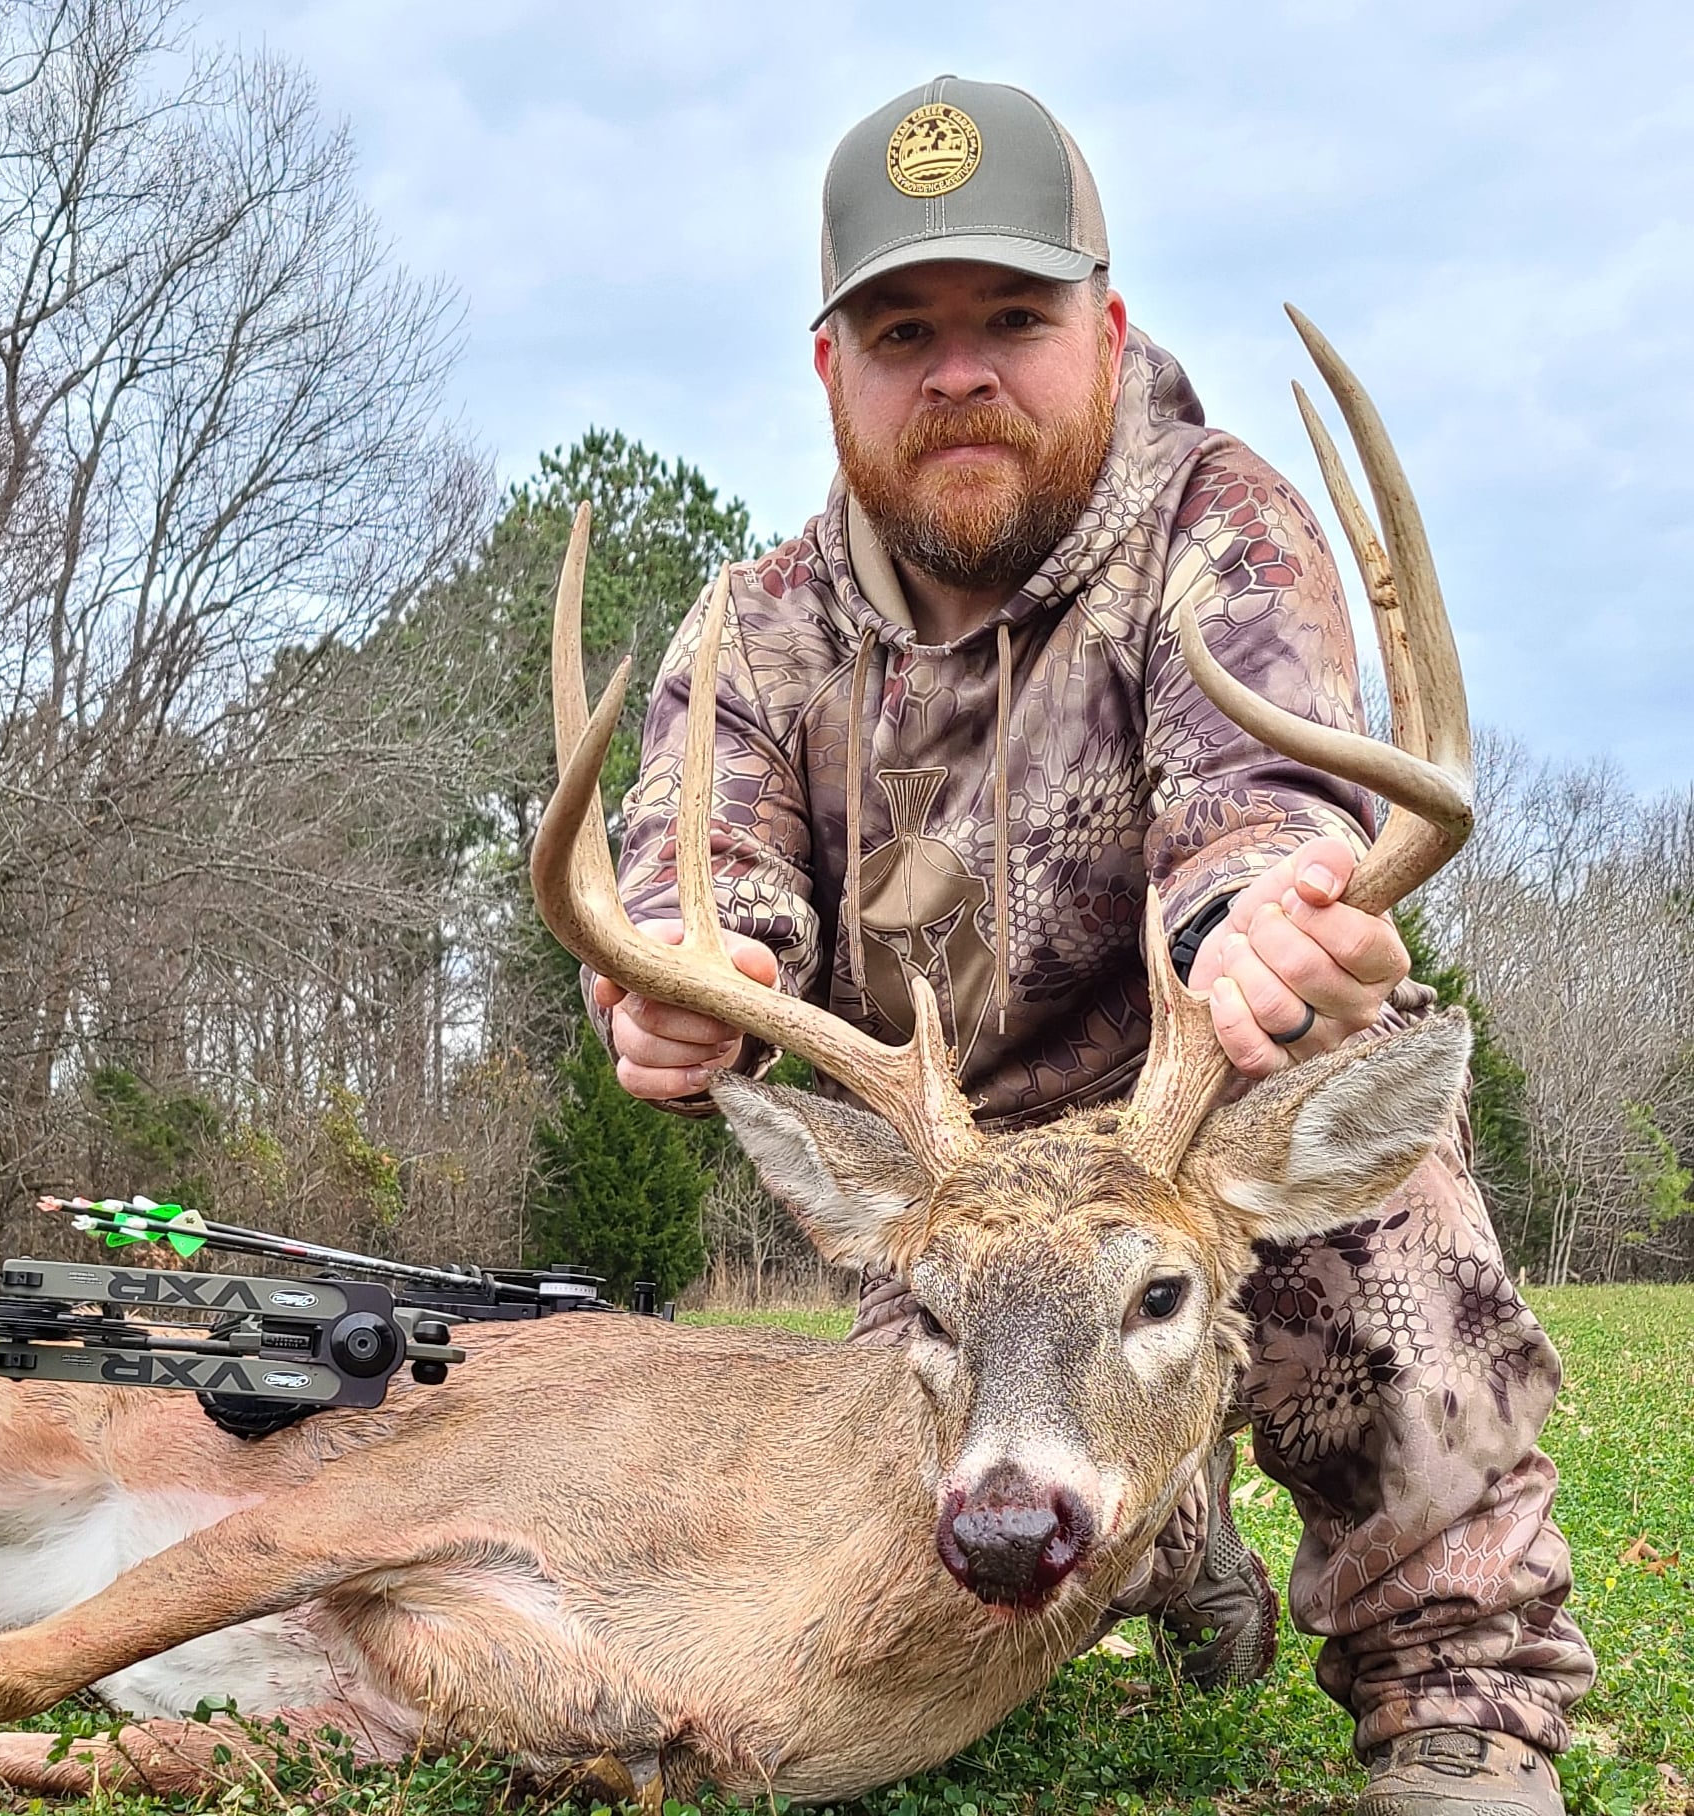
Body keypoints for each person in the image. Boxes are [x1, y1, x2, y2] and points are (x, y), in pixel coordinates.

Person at [587, 78, 1593, 1816]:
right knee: (925, 1510)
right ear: (833, 370)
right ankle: (1165, 1523)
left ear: (1108, 330)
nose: (959, 370)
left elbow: (1266, 796)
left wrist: (1270, 914)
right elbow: (704, 871)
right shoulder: (753, 634)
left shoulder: (1218, 526)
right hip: (960, 1219)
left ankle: (1455, 1707)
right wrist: (691, 985)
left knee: (1357, 1141)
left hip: (1196, 1136)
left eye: (1014, 319)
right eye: (905, 330)